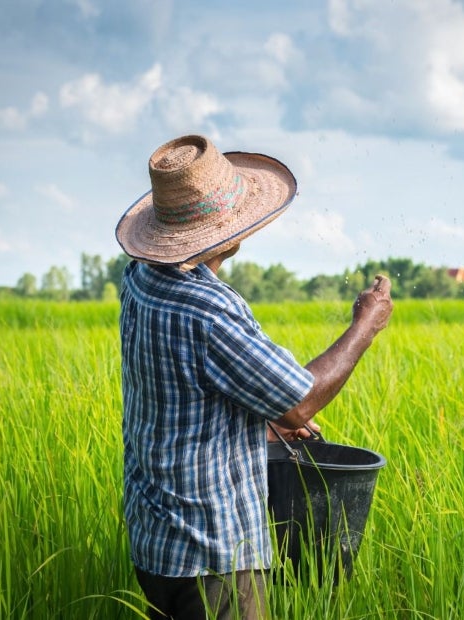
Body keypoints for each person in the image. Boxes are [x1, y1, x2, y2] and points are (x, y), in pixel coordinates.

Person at [114, 134, 393, 619]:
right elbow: (299, 401)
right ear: (224, 229)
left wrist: (263, 424)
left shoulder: (140, 278)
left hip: (155, 540)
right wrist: (364, 326)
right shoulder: (207, 310)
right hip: (212, 554)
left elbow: (179, 396)